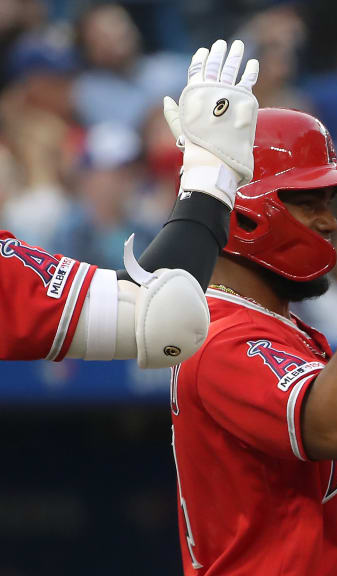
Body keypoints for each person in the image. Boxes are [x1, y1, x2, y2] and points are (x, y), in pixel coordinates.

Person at [170, 106, 337, 574]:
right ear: (242, 212)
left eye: (327, 203)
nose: (330, 222)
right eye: (310, 203)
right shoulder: (222, 338)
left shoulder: (278, 326)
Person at [1, 39, 260, 369]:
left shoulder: (139, 224)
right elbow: (164, 317)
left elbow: (157, 310)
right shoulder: (64, 224)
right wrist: (211, 171)